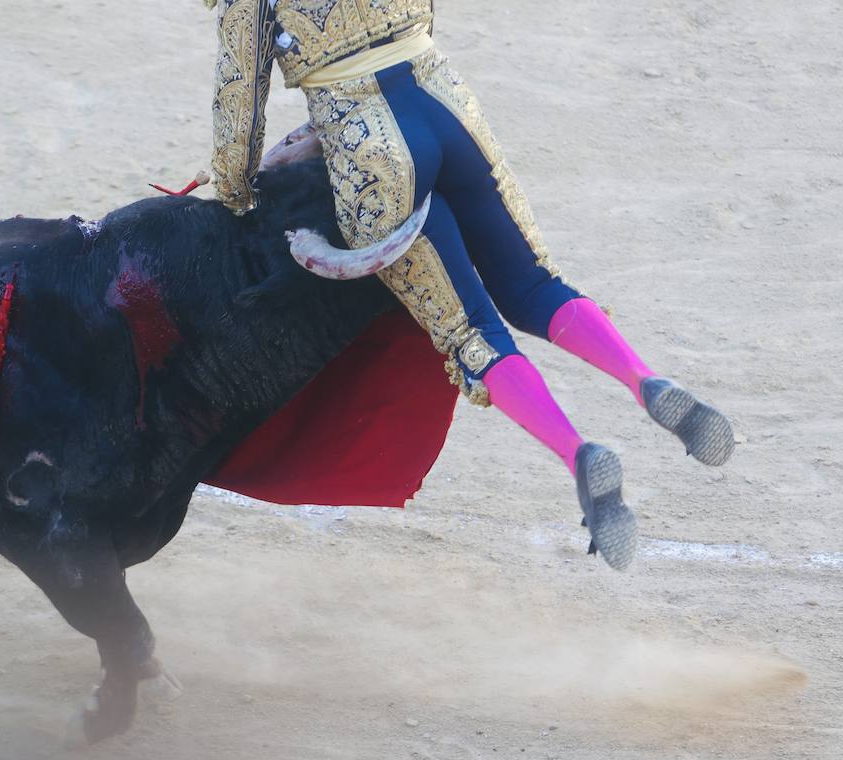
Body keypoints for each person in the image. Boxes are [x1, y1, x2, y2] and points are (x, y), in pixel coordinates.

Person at [207, 0, 734, 570]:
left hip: (372, 150)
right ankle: (642, 378)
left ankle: (579, 452)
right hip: (444, 101)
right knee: (533, 285)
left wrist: (237, 195)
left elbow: (239, 105)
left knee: (471, 333)